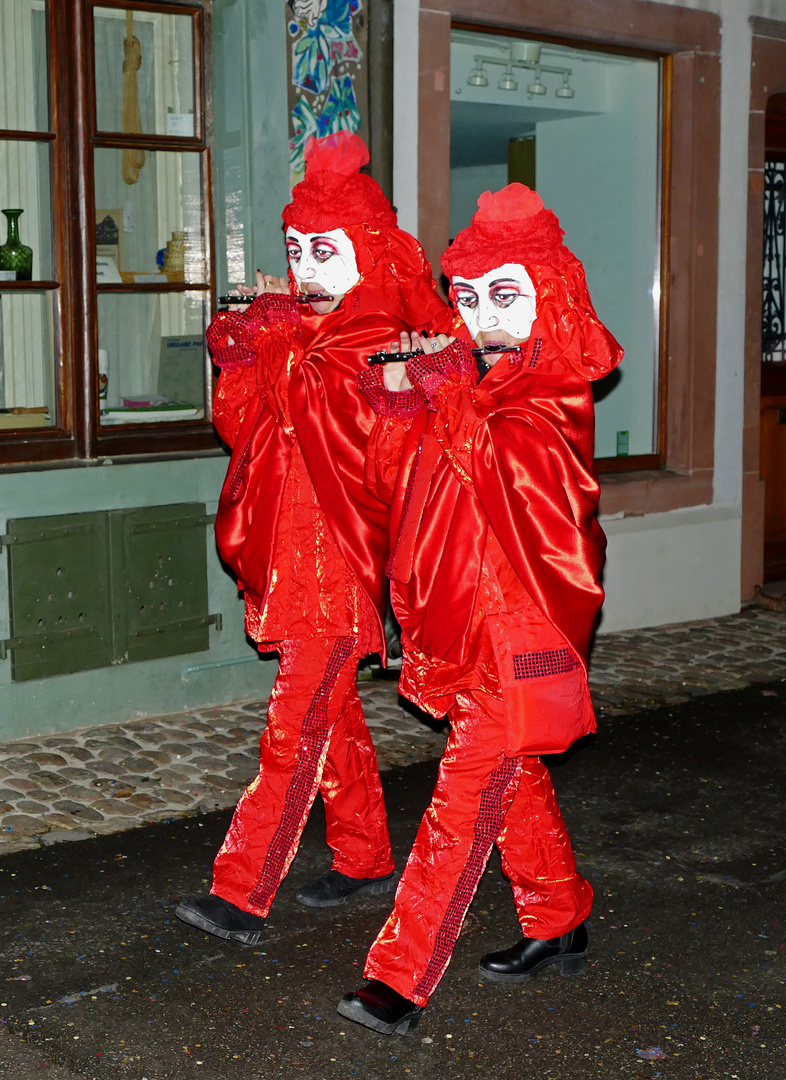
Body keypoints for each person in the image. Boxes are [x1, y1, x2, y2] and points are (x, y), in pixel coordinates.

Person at [337, 183, 623, 1034]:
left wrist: (440, 393)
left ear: (548, 297)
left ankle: (398, 978)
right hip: (461, 620)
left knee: (461, 806)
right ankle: (559, 915)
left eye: (505, 297)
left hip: (517, 634)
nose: (483, 319)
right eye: (468, 299)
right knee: (512, 779)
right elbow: (403, 484)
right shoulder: (473, 385)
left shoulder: (550, 391)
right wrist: (398, 401)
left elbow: (511, 475)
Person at [175, 132, 453, 946]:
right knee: (328, 717)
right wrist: (254, 347)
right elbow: (241, 426)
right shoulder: (302, 332)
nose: (307, 268)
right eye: (298, 250)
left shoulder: (375, 343)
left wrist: (278, 339)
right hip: (287, 553)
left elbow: (356, 435)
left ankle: (242, 888)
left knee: (294, 724)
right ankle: (366, 854)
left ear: (363, 253)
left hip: (339, 563)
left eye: (322, 250)